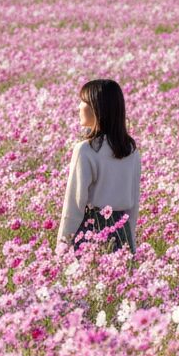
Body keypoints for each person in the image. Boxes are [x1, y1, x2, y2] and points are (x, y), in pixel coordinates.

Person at [55, 78, 141, 257]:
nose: (79, 107)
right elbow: (133, 205)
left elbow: (74, 205)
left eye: (83, 102)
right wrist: (131, 245)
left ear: (97, 108)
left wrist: (62, 247)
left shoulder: (85, 150)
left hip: (92, 233)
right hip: (122, 233)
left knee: (91, 274)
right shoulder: (130, 150)